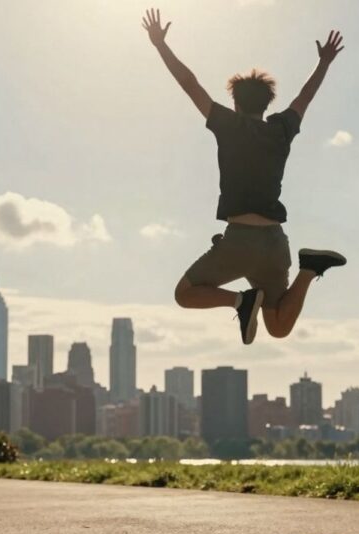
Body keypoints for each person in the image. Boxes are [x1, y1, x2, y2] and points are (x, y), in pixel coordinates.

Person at [142, 9, 347, 344]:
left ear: (235, 103)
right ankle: (309, 269)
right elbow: (304, 96)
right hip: (274, 242)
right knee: (278, 326)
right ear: (267, 104)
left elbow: (190, 84)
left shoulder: (229, 125)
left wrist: (160, 45)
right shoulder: (281, 129)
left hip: (240, 240)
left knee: (185, 294)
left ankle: (241, 300)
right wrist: (324, 62)